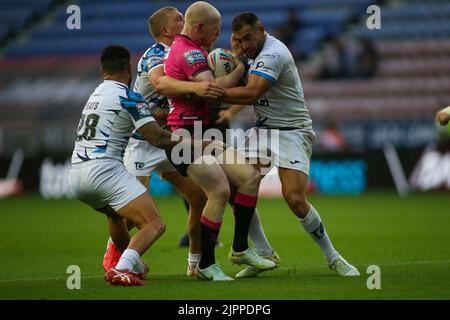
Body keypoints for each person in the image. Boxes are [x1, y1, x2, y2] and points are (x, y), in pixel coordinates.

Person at [219, 12, 359, 277]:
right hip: (263, 130)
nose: (245, 44)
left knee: (294, 198)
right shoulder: (246, 52)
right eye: (239, 39)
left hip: (293, 130)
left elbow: (253, 91)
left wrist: (215, 92)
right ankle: (263, 254)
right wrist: (230, 108)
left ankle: (334, 257)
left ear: (261, 30)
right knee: (235, 187)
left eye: (248, 38)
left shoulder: (274, 53)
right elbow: (248, 87)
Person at [158, 2, 277, 281]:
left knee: (249, 177)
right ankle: (206, 265)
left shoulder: (191, 49)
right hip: (184, 137)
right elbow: (212, 90)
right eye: (216, 29)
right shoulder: (190, 54)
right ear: (200, 27)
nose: (218, 35)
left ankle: (238, 249)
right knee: (220, 190)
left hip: (201, 135)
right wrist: (239, 70)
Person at [68, 45, 194, 286]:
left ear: (102, 69)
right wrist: (198, 142)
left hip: (76, 174)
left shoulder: (95, 94)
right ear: (129, 68)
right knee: (154, 223)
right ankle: (121, 267)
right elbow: (156, 138)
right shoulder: (128, 96)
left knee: (115, 216)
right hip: (104, 171)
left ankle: (129, 263)